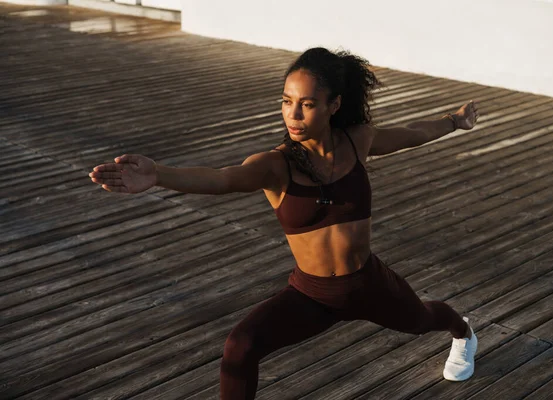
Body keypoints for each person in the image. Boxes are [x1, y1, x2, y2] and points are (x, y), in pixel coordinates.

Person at [89, 47, 480, 399]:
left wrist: (454, 120)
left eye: (307, 104)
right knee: (240, 345)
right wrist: (159, 174)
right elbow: (223, 179)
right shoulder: (276, 166)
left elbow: (412, 134)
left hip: (369, 283)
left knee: (423, 320)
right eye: (286, 101)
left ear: (333, 105)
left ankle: (464, 333)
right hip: (312, 295)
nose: (293, 115)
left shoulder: (357, 140)